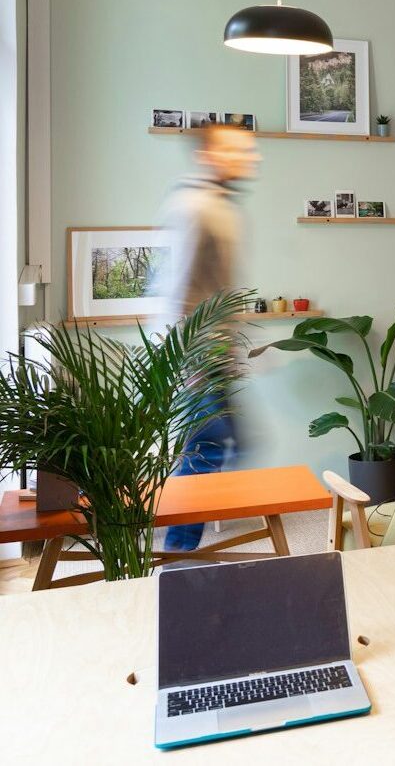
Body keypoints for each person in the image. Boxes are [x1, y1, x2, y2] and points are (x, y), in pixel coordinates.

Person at [158, 123, 259, 551]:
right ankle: (178, 554)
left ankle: (182, 544)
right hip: (197, 361)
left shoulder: (223, 207)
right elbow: (176, 289)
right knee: (209, 450)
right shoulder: (194, 207)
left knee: (238, 445)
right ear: (207, 155)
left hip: (216, 358)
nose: (250, 158)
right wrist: (186, 366)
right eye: (237, 150)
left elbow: (218, 291)